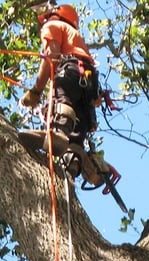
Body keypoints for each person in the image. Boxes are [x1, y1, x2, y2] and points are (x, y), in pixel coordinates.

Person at [21, 5, 102, 180]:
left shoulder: (53, 25)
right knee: (77, 126)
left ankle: (58, 133)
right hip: (89, 83)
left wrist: (36, 91)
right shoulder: (77, 38)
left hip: (71, 72)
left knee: (61, 102)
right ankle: (75, 159)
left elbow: (53, 55)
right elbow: (96, 101)